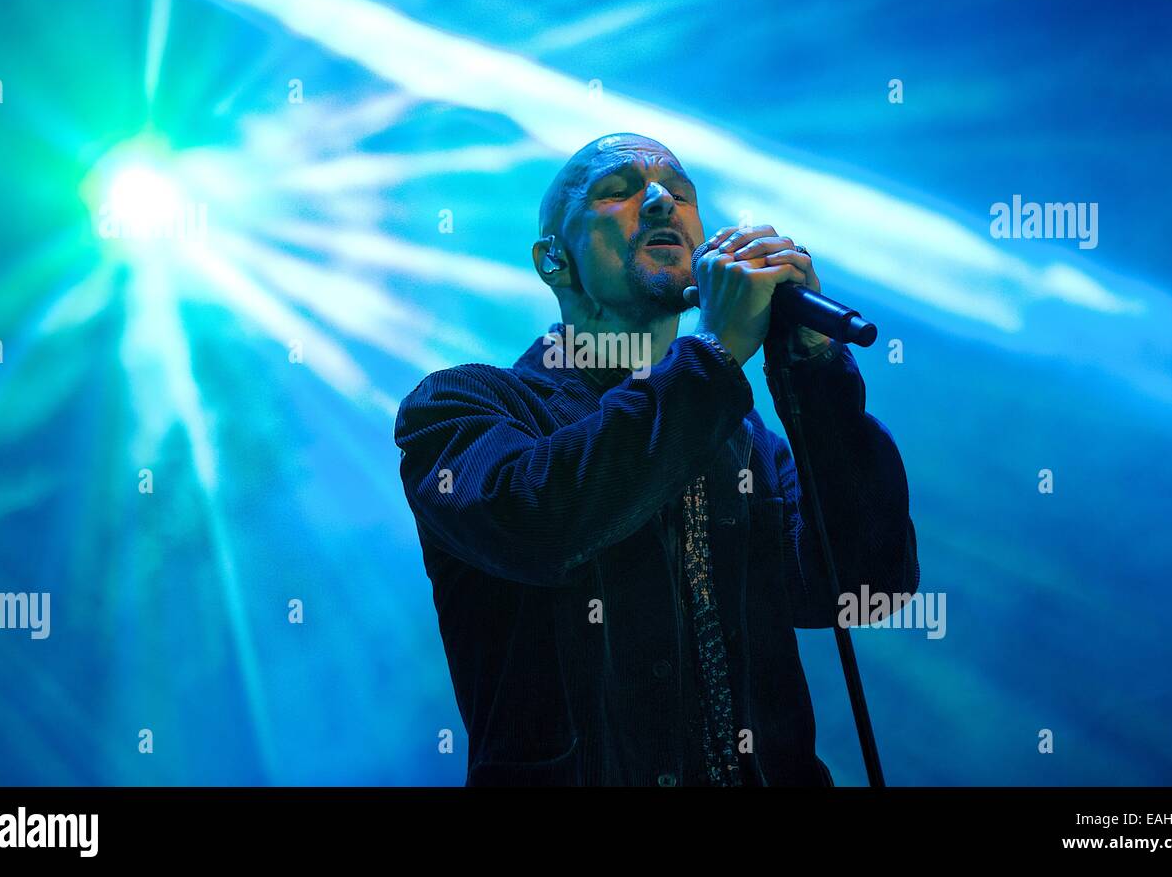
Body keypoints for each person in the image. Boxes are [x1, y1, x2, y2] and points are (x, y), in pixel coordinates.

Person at [394, 132, 919, 786]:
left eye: (680, 192)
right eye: (618, 191)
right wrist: (716, 357)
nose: (659, 202)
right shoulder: (461, 408)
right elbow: (543, 524)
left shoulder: (744, 438)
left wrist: (817, 368)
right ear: (552, 259)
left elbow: (864, 587)